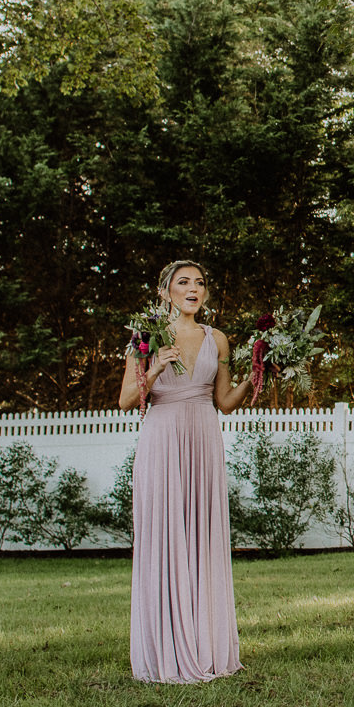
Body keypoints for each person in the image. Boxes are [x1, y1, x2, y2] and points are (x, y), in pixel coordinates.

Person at [117, 260, 256, 685]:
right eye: (183, 282)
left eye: (200, 282)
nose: (193, 288)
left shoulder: (218, 338)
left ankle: (205, 645)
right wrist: (155, 367)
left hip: (203, 438)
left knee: (201, 534)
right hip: (162, 439)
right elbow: (125, 400)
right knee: (165, 536)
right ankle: (164, 648)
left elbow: (225, 402)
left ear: (206, 293)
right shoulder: (145, 337)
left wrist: (257, 373)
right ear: (165, 292)